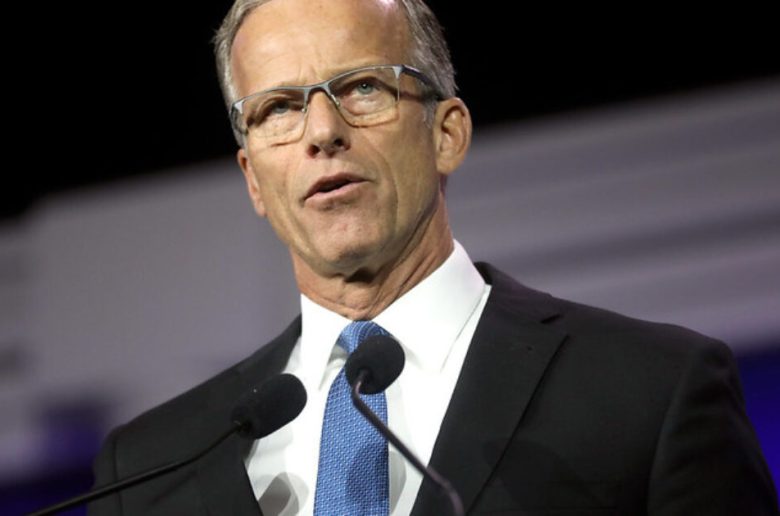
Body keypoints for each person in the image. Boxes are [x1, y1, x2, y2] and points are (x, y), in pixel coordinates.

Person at [88, 0, 779, 514]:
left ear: (447, 133)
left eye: (363, 87)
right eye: (278, 109)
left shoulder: (650, 392)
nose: (322, 132)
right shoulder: (149, 468)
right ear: (253, 181)